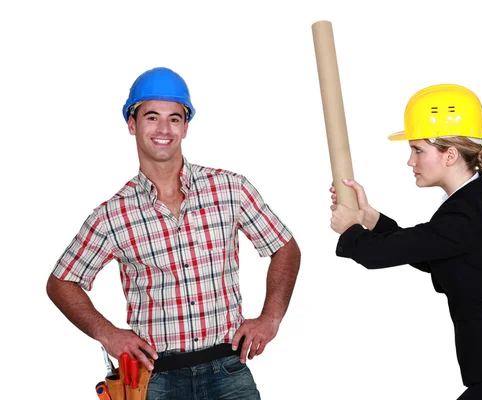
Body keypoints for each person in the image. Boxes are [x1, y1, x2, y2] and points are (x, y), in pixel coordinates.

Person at [47, 67, 301, 400]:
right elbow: (61, 282)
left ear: (185, 126)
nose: (164, 129)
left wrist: (270, 318)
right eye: (152, 117)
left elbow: (285, 247)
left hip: (227, 367)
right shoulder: (113, 214)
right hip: (158, 380)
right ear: (132, 124)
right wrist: (107, 334)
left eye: (175, 119)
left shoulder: (229, 189)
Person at [329, 84, 482, 399]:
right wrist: (368, 218)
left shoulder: (469, 213)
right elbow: (430, 250)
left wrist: (350, 230)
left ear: (449, 154)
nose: (410, 161)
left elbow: (381, 254)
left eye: (418, 150)